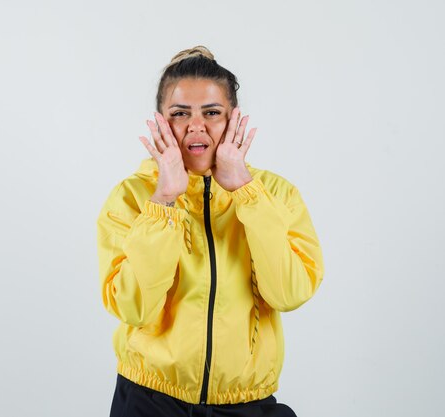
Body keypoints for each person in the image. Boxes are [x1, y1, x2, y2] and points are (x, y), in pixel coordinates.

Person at [96, 45, 324, 417]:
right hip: (149, 399)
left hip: (246, 403)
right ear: (160, 122)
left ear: (233, 119)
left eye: (212, 113)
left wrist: (246, 192)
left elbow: (289, 293)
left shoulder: (277, 194)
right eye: (180, 113)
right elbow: (132, 307)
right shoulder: (132, 197)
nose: (196, 126)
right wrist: (164, 199)